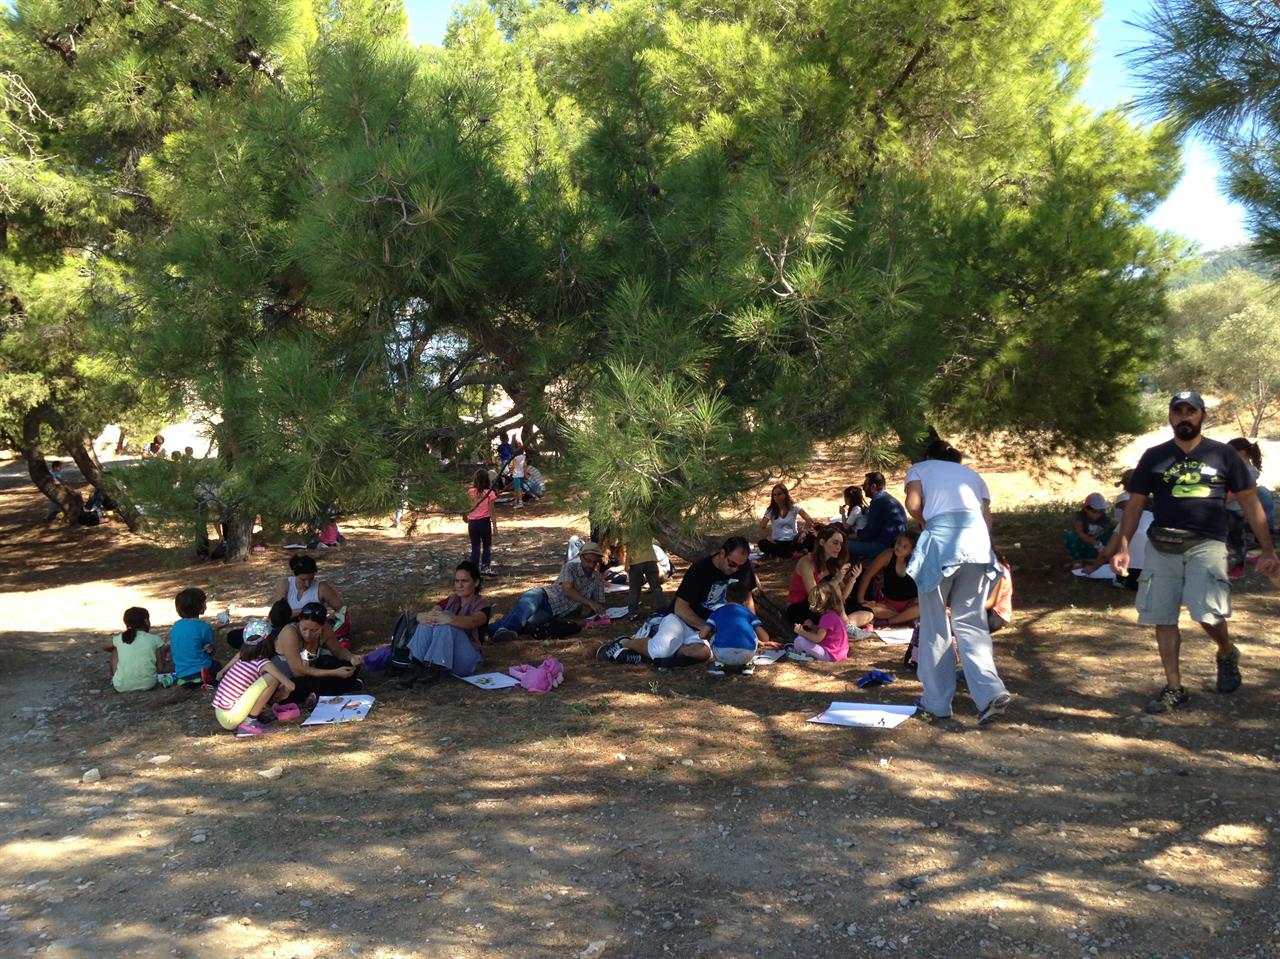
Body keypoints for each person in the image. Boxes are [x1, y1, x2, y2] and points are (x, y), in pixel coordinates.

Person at [1110, 391, 1280, 714]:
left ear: (1202, 415)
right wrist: (1123, 545)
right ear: (1170, 416)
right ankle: (1174, 688)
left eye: (1191, 411)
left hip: (1207, 543)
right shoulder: (1154, 456)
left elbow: (1249, 500)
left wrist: (1268, 549)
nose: (1184, 417)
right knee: (1162, 617)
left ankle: (1226, 651)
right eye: (1179, 411)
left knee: (1207, 613)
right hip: (1162, 544)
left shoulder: (1223, 455)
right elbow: (1135, 503)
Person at [904, 439, 1011, 724]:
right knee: (972, 622)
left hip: (941, 544)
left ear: (929, 455)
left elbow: (913, 504)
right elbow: (987, 522)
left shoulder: (920, 468)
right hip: (977, 545)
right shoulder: (973, 476)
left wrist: (926, 522)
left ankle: (937, 702)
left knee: (934, 624)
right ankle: (991, 692)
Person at [597, 536, 757, 666]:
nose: (735, 569)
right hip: (681, 621)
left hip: (705, 631)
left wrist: (751, 631)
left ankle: (653, 655)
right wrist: (708, 627)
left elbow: (747, 598)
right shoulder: (701, 569)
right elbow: (680, 608)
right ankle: (626, 643)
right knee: (661, 651)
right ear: (722, 553)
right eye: (732, 564)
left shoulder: (743, 568)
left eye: (740, 566)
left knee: (704, 653)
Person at [489, 541, 607, 641]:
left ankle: (487, 630)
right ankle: (503, 630)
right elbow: (568, 590)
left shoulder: (597, 579)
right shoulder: (571, 567)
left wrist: (592, 608)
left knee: (526, 622)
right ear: (581, 557)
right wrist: (589, 602)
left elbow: (600, 603)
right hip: (543, 595)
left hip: (553, 612)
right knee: (522, 614)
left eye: (595, 562)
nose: (591, 565)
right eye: (588, 560)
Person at [399, 561, 493, 687]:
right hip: (448, 657)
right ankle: (416, 665)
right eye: (457, 581)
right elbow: (430, 614)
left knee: (445, 621)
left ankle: (434, 668)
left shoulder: (482, 605)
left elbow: (473, 622)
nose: (460, 585)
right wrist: (425, 617)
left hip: (467, 659)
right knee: (430, 620)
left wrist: (448, 619)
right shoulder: (451, 600)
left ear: (476, 582)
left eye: (464, 581)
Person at [211, 622, 296, 737]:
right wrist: (284, 691)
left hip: (221, 712)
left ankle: (251, 717)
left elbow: (236, 657)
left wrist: (222, 671)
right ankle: (250, 723)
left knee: (262, 681)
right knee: (272, 679)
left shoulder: (244, 656)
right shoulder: (264, 663)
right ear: (268, 642)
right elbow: (291, 686)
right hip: (230, 717)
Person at [273, 602, 365, 704]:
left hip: (312, 671)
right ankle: (336, 687)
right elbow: (298, 671)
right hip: (289, 678)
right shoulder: (290, 632)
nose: (308, 634)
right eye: (304, 629)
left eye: (314, 630)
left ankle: (327, 690)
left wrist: (352, 658)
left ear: (322, 626)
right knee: (298, 685)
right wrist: (333, 672)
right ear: (299, 620)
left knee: (349, 665)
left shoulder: (326, 629)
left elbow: (339, 651)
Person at [784, 525, 870, 627]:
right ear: (822, 542)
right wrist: (836, 580)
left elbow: (842, 598)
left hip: (824, 606)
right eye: (835, 543)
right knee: (830, 582)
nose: (839, 547)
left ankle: (844, 625)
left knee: (868, 612)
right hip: (800, 607)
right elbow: (814, 597)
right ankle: (844, 624)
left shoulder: (832, 564)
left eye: (841, 544)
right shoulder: (807, 562)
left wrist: (852, 579)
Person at [1225, 437, 1275, 577]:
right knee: (1233, 538)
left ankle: (1239, 567)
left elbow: (1236, 494)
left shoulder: (1249, 471)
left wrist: (1220, 502)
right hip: (1230, 509)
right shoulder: (1236, 469)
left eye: (1231, 452)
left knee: (1238, 540)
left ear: (1242, 452)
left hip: (1237, 511)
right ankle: (1249, 556)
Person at [701, 579, 771, 676]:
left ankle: (718, 665)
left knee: (714, 636)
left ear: (725, 598)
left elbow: (702, 635)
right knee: (753, 633)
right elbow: (765, 638)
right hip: (746, 654)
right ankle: (747, 665)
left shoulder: (717, 612)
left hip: (722, 654)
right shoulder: (749, 613)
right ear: (745, 601)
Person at [855, 530, 921, 627]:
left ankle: (889, 621)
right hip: (888, 605)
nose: (899, 547)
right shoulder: (888, 555)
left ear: (912, 550)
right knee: (866, 608)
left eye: (905, 546)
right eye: (899, 543)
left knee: (921, 608)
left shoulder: (917, 562)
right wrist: (860, 599)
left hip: (910, 605)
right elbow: (868, 574)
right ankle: (903, 618)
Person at [102, 607, 171, 692]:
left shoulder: (121, 638)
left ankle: (114, 678)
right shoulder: (154, 639)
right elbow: (160, 668)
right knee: (157, 648)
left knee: (115, 649)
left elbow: (104, 646)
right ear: (146, 621)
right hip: (148, 684)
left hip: (121, 686)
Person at [847, 472, 908, 563]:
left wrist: (853, 535)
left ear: (873, 487)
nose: (863, 488)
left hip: (885, 546)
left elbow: (870, 533)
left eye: (864, 485)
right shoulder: (887, 499)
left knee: (843, 545)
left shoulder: (878, 502)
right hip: (895, 542)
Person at [785, 580, 851, 662]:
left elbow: (817, 638)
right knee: (806, 637)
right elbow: (825, 632)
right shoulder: (833, 615)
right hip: (839, 653)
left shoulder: (826, 618)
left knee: (799, 640)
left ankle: (803, 656)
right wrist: (812, 626)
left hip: (830, 655)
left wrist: (801, 632)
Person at [170, 587, 219, 687]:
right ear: (199, 606)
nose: (205, 605)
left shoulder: (176, 626)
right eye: (204, 602)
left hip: (182, 673)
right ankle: (204, 678)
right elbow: (210, 651)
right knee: (224, 665)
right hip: (201, 670)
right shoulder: (204, 627)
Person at [271, 555, 345, 618]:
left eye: (311, 579)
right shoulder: (285, 584)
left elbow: (343, 611)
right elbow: (275, 615)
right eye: (303, 580)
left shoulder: (322, 588)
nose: (307, 584)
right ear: (295, 575)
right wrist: (301, 612)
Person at [757, 484, 815, 558]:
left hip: (794, 541)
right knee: (762, 543)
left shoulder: (794, 507)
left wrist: (804, 532)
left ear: (785, 494)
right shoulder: (771, 510)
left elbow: (809, 520)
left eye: (779, 494)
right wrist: (768, 537)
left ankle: (783, 554)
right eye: (774, 495)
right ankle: (793, 554)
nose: (777, 497)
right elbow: (761, 527)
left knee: (811, 539)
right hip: (777, 542)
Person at [464, 469, 499, 573]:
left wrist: (464, 516)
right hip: (484, 522)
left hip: (472, 523)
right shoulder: (489, 493)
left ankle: (473, 568)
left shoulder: (470, 492)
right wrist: (495, 526)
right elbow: (492, 511)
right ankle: (485, 566)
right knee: (487, 545)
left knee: (475, 546)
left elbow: (466, 506)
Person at [1064, 493, 1114, 563]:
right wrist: (1096, 544)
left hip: (1097, 541)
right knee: (1070, 536)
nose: (1098, 515)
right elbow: (1080, 533)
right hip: (1082, 542)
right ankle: (1077, 561)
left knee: (1114, 530)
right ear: (1086, 509)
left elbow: (1116, 523)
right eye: (1094, 512)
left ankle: (1105, 557)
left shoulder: (1103, 517)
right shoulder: (1080, 517)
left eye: (1101, 512)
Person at [625, 536, 666, 621]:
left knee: (635, 588)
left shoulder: (628, 530)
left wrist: (627, 563)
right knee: (656, 587)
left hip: (636, 560)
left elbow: (629, 547)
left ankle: (633, 612)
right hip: (651, 559)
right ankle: (661, 609)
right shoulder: (647, 527)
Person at [510, 444, 528, 509]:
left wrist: (511, 471)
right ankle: (516, 501)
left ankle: (520, 503)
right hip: (521, 475)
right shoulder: (523, 457)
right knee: (517, 489)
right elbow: (525, 466)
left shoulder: (515, 457)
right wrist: (525, 474)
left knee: (518, 489)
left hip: (516, 475)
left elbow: (513, 466)